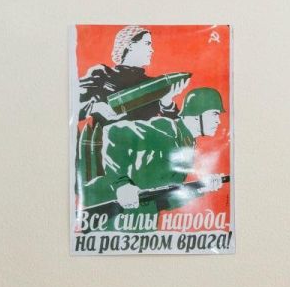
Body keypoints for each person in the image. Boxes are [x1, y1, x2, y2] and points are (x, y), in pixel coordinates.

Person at [80, 88, 226, 223]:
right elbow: (115, 132)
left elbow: (163, 199)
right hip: (110, 219)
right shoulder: (167, 130)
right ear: (196, 114)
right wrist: (121, 185)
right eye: (214, 114)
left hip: (141, 224)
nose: (218, 121)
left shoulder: (187, 146)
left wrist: (201, 188)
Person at [76, 25, 190, 181]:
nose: (152, 50)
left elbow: (174, 132)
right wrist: (96, 107)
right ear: (130, 45)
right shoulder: (101, 74)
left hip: (142, 167)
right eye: (147, 44)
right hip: (106, 165)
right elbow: (71, 106)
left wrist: (167, 102)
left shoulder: (154, 85)